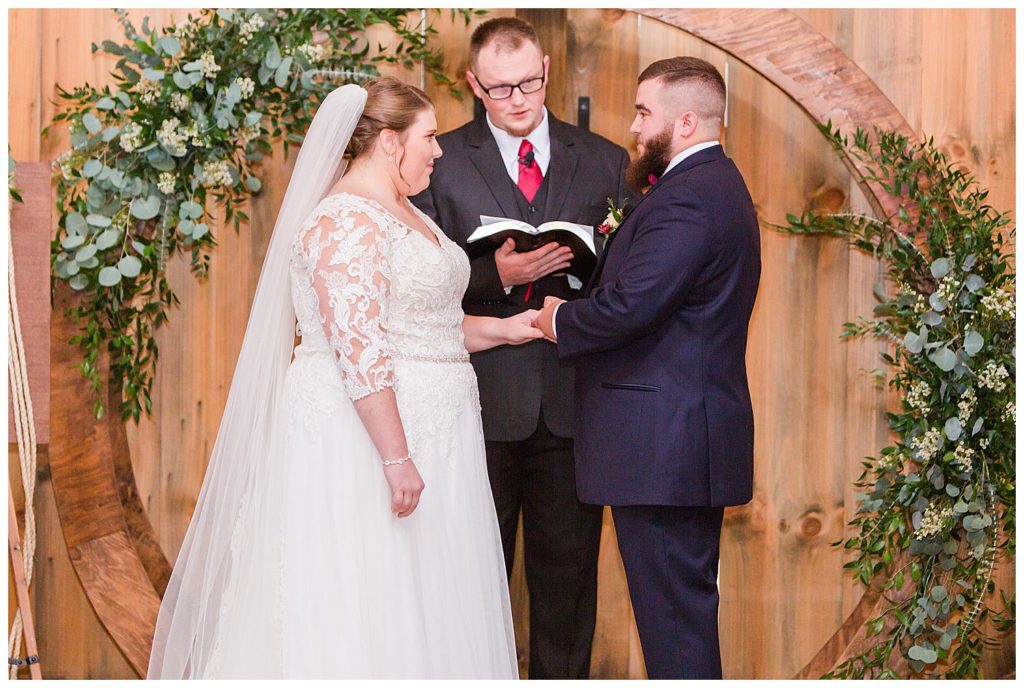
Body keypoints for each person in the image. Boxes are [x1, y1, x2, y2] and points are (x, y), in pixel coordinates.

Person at [148, 77, 538, 679]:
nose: (438, 151)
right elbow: (361, 349)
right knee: (368, 596)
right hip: (367, 444)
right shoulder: (345, 222)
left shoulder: (406, 211)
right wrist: (395, 457)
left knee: (426, 602)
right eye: (428, 138)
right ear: (388, 142)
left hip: (437, 435)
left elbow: (427, 330)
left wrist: (517, 328)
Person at [411, 18, 634, 679]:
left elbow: (632, 279)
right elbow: (415, 285)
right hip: (474, 404)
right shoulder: (439, 162)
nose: (519, 98)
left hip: (572, 403)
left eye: (531, 82)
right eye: (502, 87)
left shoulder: (603, 159)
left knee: (568, 584)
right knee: (463, 581)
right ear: (474, 84)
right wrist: (496, 277)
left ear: (546, 73)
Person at [535, 57, 761, 679]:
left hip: (666, 449)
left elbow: (632, 306)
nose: (634, 128)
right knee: (678, 622)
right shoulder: (708, 185)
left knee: (675, 631)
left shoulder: (690, 198)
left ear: (685, 121)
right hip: (677, 444)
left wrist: (557, 319)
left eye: (643, 112)